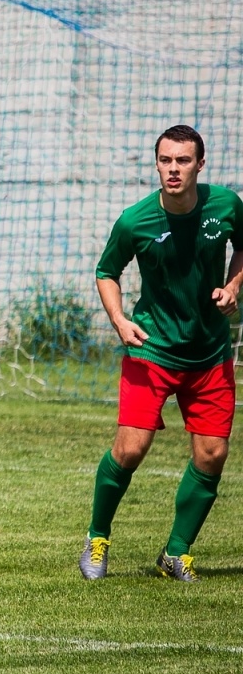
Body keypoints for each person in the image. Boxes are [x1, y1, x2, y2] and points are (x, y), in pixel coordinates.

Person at [81, 124, 243, 583]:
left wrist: (233, 286)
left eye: (183, 161)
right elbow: (106, 271)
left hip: (209, 354)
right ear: (157, 163)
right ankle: (97, 537)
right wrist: (118, 320)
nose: (174, 169)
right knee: (131, 449)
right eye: (166, 160)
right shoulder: (136, 220)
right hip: (151, 350)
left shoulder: (226, 205)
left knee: (212, 455)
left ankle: (176, 552)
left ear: (200, 164)